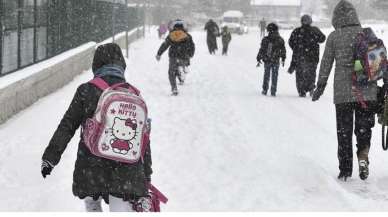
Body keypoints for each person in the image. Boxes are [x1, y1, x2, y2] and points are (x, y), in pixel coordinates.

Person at [41, 43, 153, 212]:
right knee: (121, 207)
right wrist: (146, 173)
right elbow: (143, 138)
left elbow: (67, 125)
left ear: (96, 65)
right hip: (126, 171)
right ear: (121, 65)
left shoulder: (86, 90)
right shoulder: (134, 95)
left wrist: (50, 157)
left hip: (91, 166)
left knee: (92, 203)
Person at [312, 0, 379, 181]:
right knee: (364, 129)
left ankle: (345, 169)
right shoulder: (366, 34)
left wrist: (320, 85)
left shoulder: (334, 36)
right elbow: (377, 64)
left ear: (336, 17)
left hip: (343, 93)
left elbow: (326, 63)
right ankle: (363, 156)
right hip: (367, 92)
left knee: (344, 131)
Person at [289, 14, 326, 97]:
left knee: (300, 74)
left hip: (300, 57)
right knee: (311, 73)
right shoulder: (315, 30)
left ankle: (302, 90)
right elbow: (322, 38)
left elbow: (291, 42)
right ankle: (311, 87)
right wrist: (315, 40)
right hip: (313, 57)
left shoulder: (297, 31)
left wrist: (297, 48)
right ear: (310, 21)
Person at [156, 19, 195, 96]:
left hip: (173, 56)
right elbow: (192, 46)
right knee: (181, 65)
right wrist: (190, 54)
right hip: (183, 56)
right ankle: (183, 70)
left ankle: (174, 88)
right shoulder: (188, 36)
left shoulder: (171, 35)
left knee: (171, 72)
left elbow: (165, 45)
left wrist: (159, 54)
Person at [256, 23, 286, 97]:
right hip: (276, 60)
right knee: (275, 76)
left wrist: (259, 57)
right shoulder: (280, 39)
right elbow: (283, 50)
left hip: (267, 60)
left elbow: (262, 49)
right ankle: (273, 90)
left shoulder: (266, 39)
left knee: (266, 75)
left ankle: (265, 89)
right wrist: (283, 58)